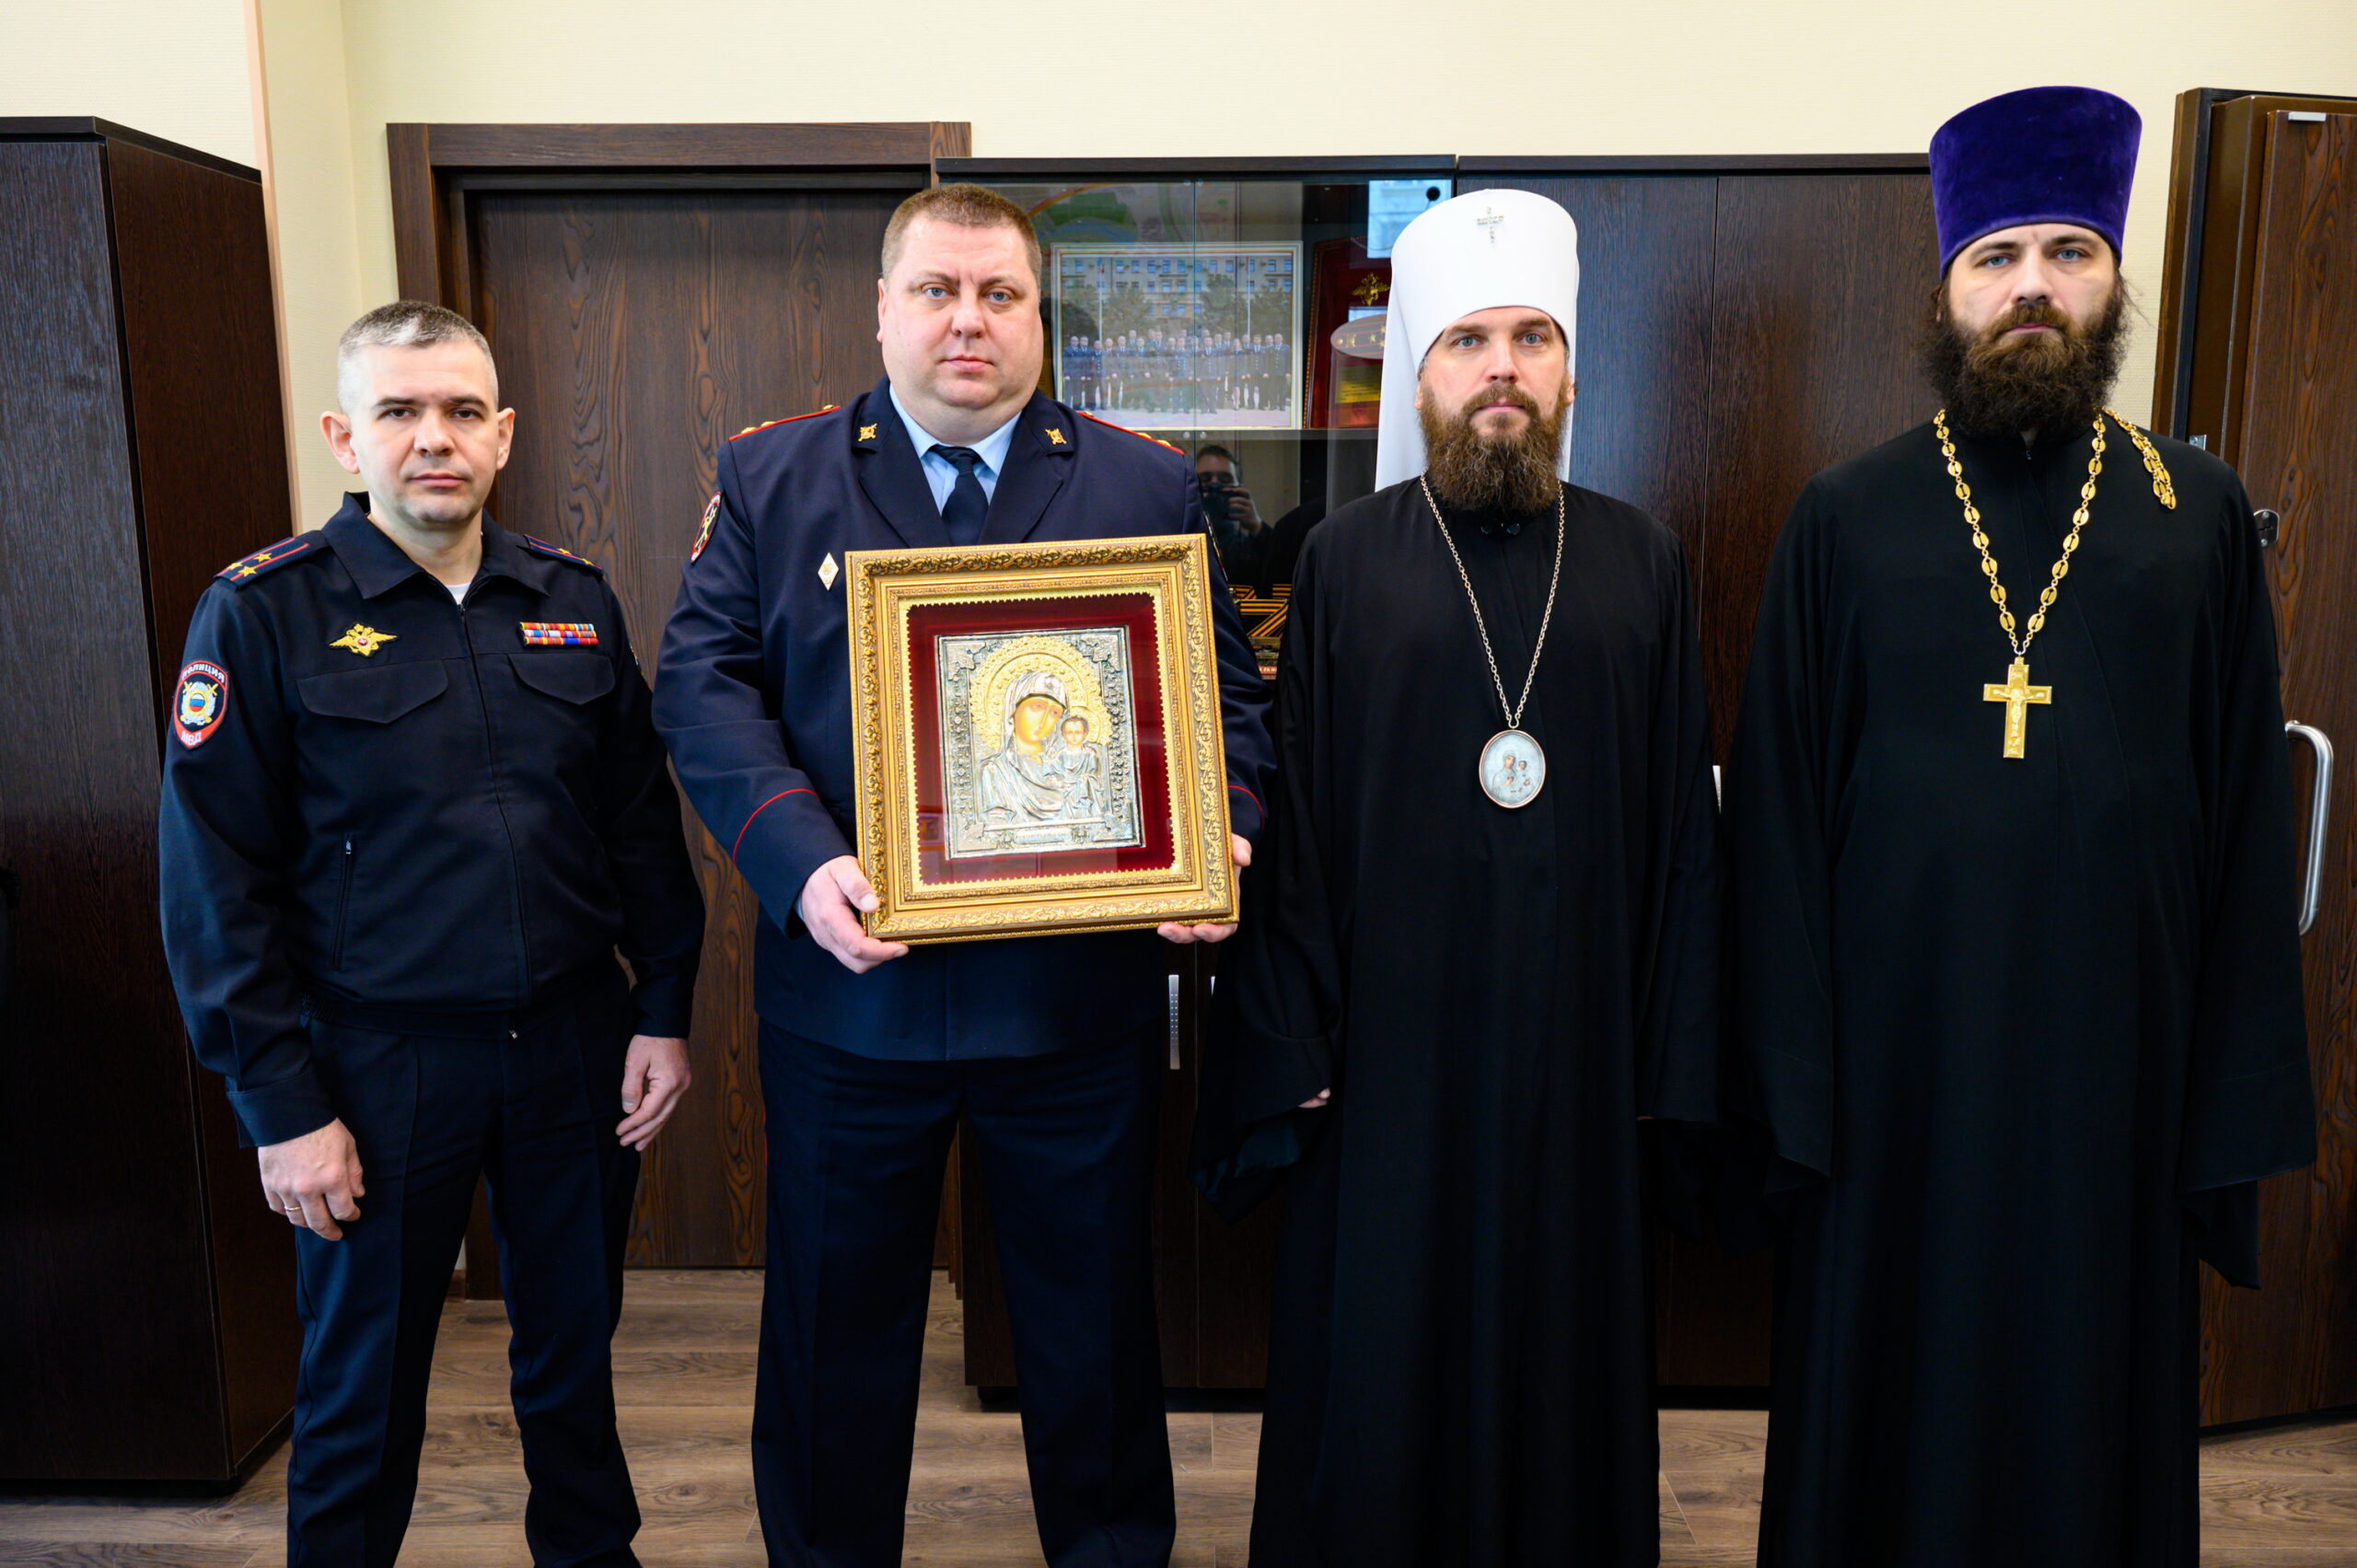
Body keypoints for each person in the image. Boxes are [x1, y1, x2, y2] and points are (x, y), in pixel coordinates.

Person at [1727, 86, 2316, 1568]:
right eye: (1996, 257)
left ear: (2114, 280)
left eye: (2069, 252)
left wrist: (2224, 1095)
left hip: (2117, 1075)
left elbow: (2246, 821)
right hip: (1893, 1078)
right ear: (1948, 289)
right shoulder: (1846, 515)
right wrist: (1792, 1089)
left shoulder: (2197, 512)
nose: (2032, 287)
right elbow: (1778, 825)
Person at [655, 182, 1275, 1568]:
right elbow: (703, 689)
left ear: (1039, 318)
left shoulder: (1143, 482)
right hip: (852, 996)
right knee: (833, 1333)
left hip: (1074, 1004)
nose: (968, 322)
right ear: (882, 308)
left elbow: (1227, 702)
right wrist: (800, 860)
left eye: (1000, 295)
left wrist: (1217, 829)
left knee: (1093, 1329)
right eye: (936, 291)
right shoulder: (772, 478)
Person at [1192, 187, 1721, 1568]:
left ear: (1568, 372)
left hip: (1582, 1058)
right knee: (1384, 1343)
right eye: (1469, 342)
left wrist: (1667, 1053)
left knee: (1567, 1338)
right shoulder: (1345, 560)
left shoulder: (1643, 559)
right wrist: (1295, 1030)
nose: (1502, 369)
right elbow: (1299, 818)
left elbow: (1682, 828)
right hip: (1391, 1057)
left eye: (1532, 339)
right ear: (1420, 377)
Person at [158, 302, 705, 1568]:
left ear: (502, 434)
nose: (434, 439)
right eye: (399, 412)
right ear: (346, 439)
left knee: (573, 1360)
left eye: (461, 412)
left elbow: (639, 827)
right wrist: (280, 1106)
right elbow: (212, 880)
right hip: (373, 1065)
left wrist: (664, 1008)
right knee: (362, 1382)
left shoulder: (571, 599)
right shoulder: (263, 611)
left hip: (572, 1047)